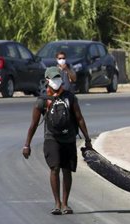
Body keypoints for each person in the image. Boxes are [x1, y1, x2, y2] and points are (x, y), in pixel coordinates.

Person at [22, 66, 92, 215]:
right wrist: (27, 145)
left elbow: (79, 118)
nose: (56, 81)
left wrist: (87, 139)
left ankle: (66, 203)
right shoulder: (42, 101)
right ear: (47, 80)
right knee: (54, 169)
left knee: (67, 170)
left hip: (69, 138)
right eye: (53, 78)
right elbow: (33, 124)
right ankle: (57, 203)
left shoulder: (70, 97)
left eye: (58, 77)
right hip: (51, 138)